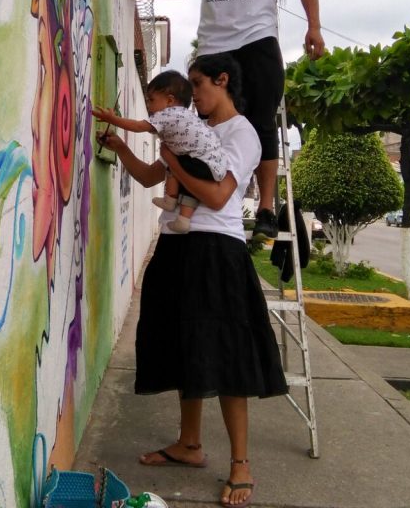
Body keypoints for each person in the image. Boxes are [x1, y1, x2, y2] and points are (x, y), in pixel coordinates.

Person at [98, 53, 288, 507]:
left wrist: (175, 166)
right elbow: (150, 177)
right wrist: (121, 145)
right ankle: (189, 444)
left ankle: (241, 463)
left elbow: (219, 195)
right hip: (178, 246)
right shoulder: (187, 127)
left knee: (225, 355)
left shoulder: (242, 133)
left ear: (221, 82)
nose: (192, 94)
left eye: (198, 84)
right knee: (187, 345)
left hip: (214, 251)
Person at [112, 0, 325, 242]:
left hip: (258, 40)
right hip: (213, 46)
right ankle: (185, 197)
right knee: (199, 127)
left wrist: (313, 27)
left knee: (261, 122)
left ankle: (264, 208)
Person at [94, 70, 227, 233]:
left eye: (151, 100)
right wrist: (119, 146)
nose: (148, 106)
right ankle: (176, 209)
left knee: (176, 167)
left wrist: (112, 119)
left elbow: (138, 127)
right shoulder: (187, 119)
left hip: (203, 167)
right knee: (177, 168)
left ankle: (176, 209)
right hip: (214, 165)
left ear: (170, 100)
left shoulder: (168, 114)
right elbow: (149, 176)